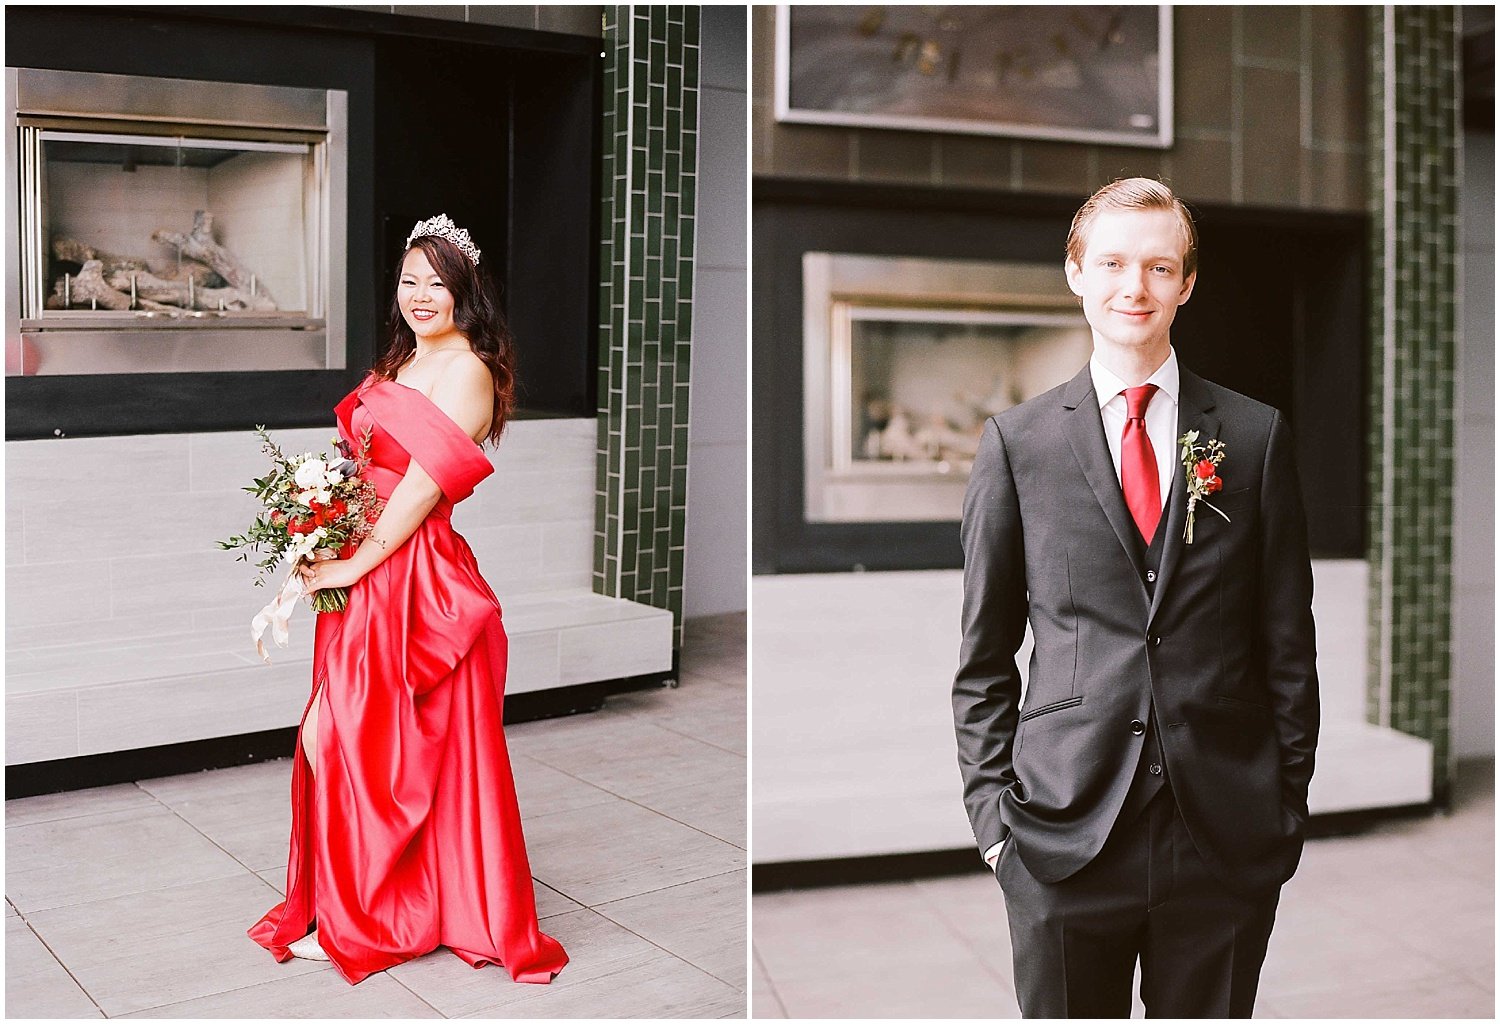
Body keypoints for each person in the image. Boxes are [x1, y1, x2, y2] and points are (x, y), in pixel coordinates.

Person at [952, 178, 1318, 1018]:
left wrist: (1283, 808)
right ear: (1076, 273)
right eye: (1113, 262)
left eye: (1159, 266)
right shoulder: (1018, 443)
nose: (1135, 287)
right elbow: (982, 656)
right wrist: (994, 826)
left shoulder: (1255, 437)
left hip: (1222, 832)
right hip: (1061, 833)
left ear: (1186, 284)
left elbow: (1286, 642)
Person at [248, 214, 569, 986]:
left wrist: (354, 562)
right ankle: (370, 903)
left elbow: (423, 489)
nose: (421, 296)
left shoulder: (468, 371)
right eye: (409, 280)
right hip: (365, 561)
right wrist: (316, 529)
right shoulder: (399, 362)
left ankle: (382, 915)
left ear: (467, 294)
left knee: (369, 744)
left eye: (439, 284)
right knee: (338, 739)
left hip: (411, 575)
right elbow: (361, 468)